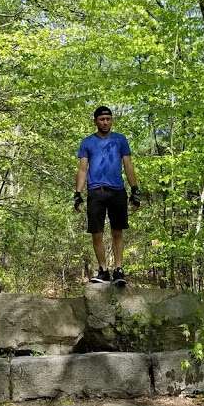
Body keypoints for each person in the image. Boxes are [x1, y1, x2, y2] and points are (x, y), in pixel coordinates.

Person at [74, 106, 140, 284]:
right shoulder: (87, 142)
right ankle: (103, 270)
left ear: (112, 120)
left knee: (117, 231)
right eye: (102, 119)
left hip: (117, 191)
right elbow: (82, 169)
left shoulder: (120, 140)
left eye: (108, 119)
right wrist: (77, 193)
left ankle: (118, 269)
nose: (105, 122)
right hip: (96, 191)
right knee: (96, 233)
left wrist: (135, 189)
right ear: (95, 121)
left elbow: (128, 165)